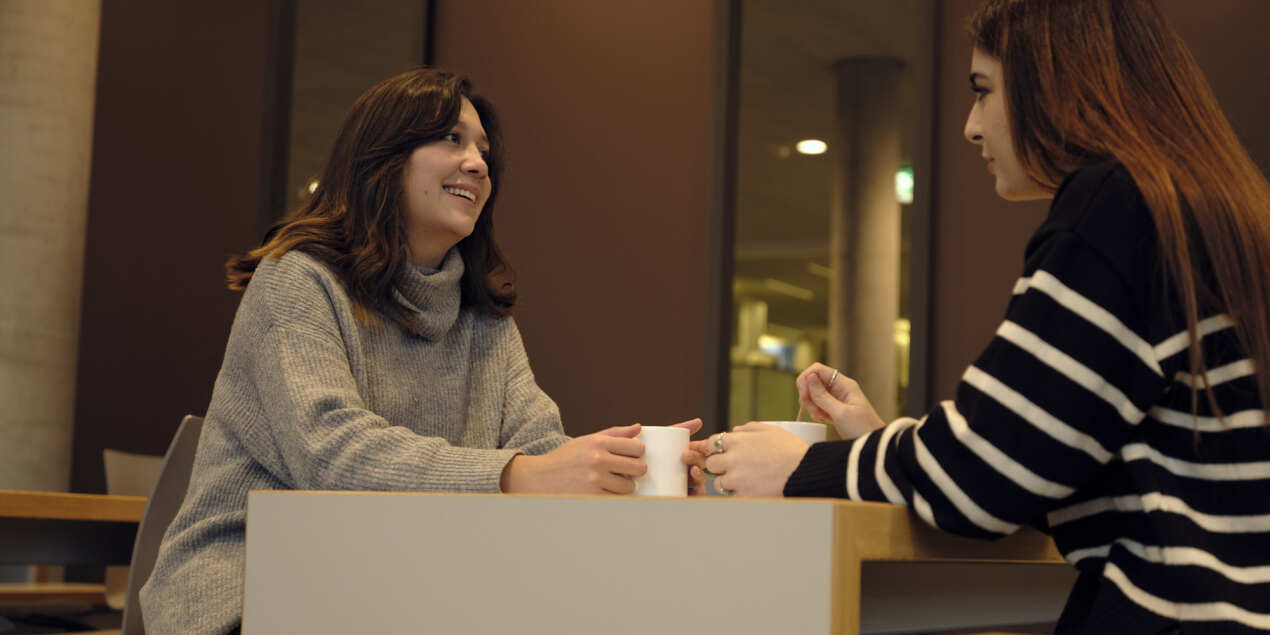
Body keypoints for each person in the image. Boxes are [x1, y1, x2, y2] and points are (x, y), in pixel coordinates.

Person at [693, 0, 1270, 631]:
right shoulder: (1213, 212)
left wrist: (802, 467)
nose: (971, 126)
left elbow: (990, 475)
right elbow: (1050, 461)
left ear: (1056, 86)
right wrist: (886, 443)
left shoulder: (1116, 205)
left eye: (984, 91)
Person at [140, 68, 702, 635]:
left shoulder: (482, 318)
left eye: (483, 150)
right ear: (382, 158)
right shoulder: (298, 279)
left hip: (400, 588)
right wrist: (522, 474)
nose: (479, 164)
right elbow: (328, 453)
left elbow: (539, 450)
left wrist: (625, 472)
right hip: (250, 592)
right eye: (452, 139)